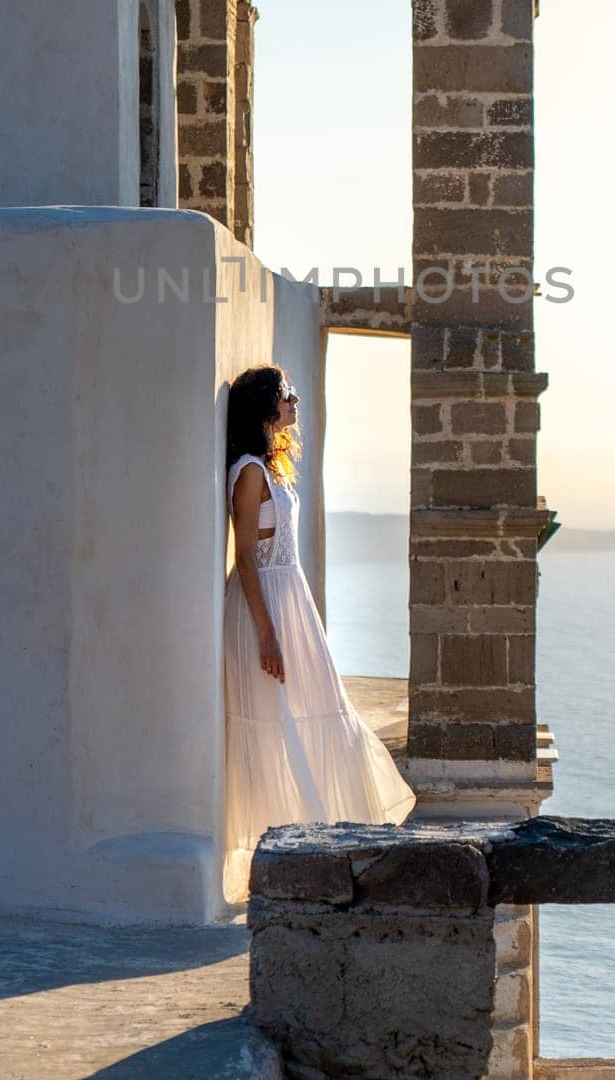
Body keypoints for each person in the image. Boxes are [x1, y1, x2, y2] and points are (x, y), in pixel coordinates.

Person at [222, 362, 416, 902]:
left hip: (291, 602)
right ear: (265, 407)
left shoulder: (271, 467)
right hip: (265, 608)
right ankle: (289, 855)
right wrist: (265, 633)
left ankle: (322, 842)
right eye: (287, 395)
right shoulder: (249, 472)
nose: (295, 403)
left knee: (319, 712)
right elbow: (246, 557)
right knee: (274, 722)